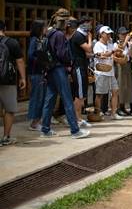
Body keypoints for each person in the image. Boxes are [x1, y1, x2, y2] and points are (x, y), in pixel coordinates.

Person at [40, 9, 90, 139]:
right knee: (67, 98)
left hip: (50, 68)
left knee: (50, 99)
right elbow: (62, 54)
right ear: (64, 21)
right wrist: (69, 63)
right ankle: (75, 130)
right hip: (59, 68)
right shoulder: (59, 35)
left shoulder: (49, 33)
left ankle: (45, 129)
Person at [0, 20, 26, 145]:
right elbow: (19, 61)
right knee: (9, 109)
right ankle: (6, 137)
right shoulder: (12, 43)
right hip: (7, 80)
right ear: (4, 28)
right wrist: (23, 78)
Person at [93, 26, 123, 120]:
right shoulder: (97, 44)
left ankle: (113, 113)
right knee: (99, 94)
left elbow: (114, 55)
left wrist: (119, 54)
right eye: (107, 33)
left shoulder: (111, 44)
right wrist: (113, 51)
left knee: (115, 91)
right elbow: (100, 56)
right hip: (101, 73)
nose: (109, 35)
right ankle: (97, 113)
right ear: (101, 34)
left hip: (111, 72)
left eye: (110, 33)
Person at [70, 16, 94, 127]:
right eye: (89, 23)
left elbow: (87, 53)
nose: (90, 26)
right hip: (78, 67)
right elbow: (88, 48)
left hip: (82, 66)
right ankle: (77, 119)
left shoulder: (80, 35)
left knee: (81, 94)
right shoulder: (78, 35)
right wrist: (90, 38)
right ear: (84, 23)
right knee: (79, 95)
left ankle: (79, 118)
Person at [27, 19, 47, 131]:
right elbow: (30, 55)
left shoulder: (40, 40)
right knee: (37, 97)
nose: (45, 29)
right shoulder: (34, 40)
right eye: (44, 27)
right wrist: (41, 60)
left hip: (40, 72)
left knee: (41, 96)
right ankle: (34, 122)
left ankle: (37, 121)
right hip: (36, 72)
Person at [114, 26, 132, 116]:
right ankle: (117, 107)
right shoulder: (115, 44)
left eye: (126, 34)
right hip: (120, 65)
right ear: (119, 35)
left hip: (128, 64)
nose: (125, 35)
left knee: (127, 86)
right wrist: (126, 42)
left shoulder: (128, 44)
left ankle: (123, 106)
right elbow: (118, 53)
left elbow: (131, 55)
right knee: (120, 86)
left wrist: (131, 46)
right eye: (123, 34)